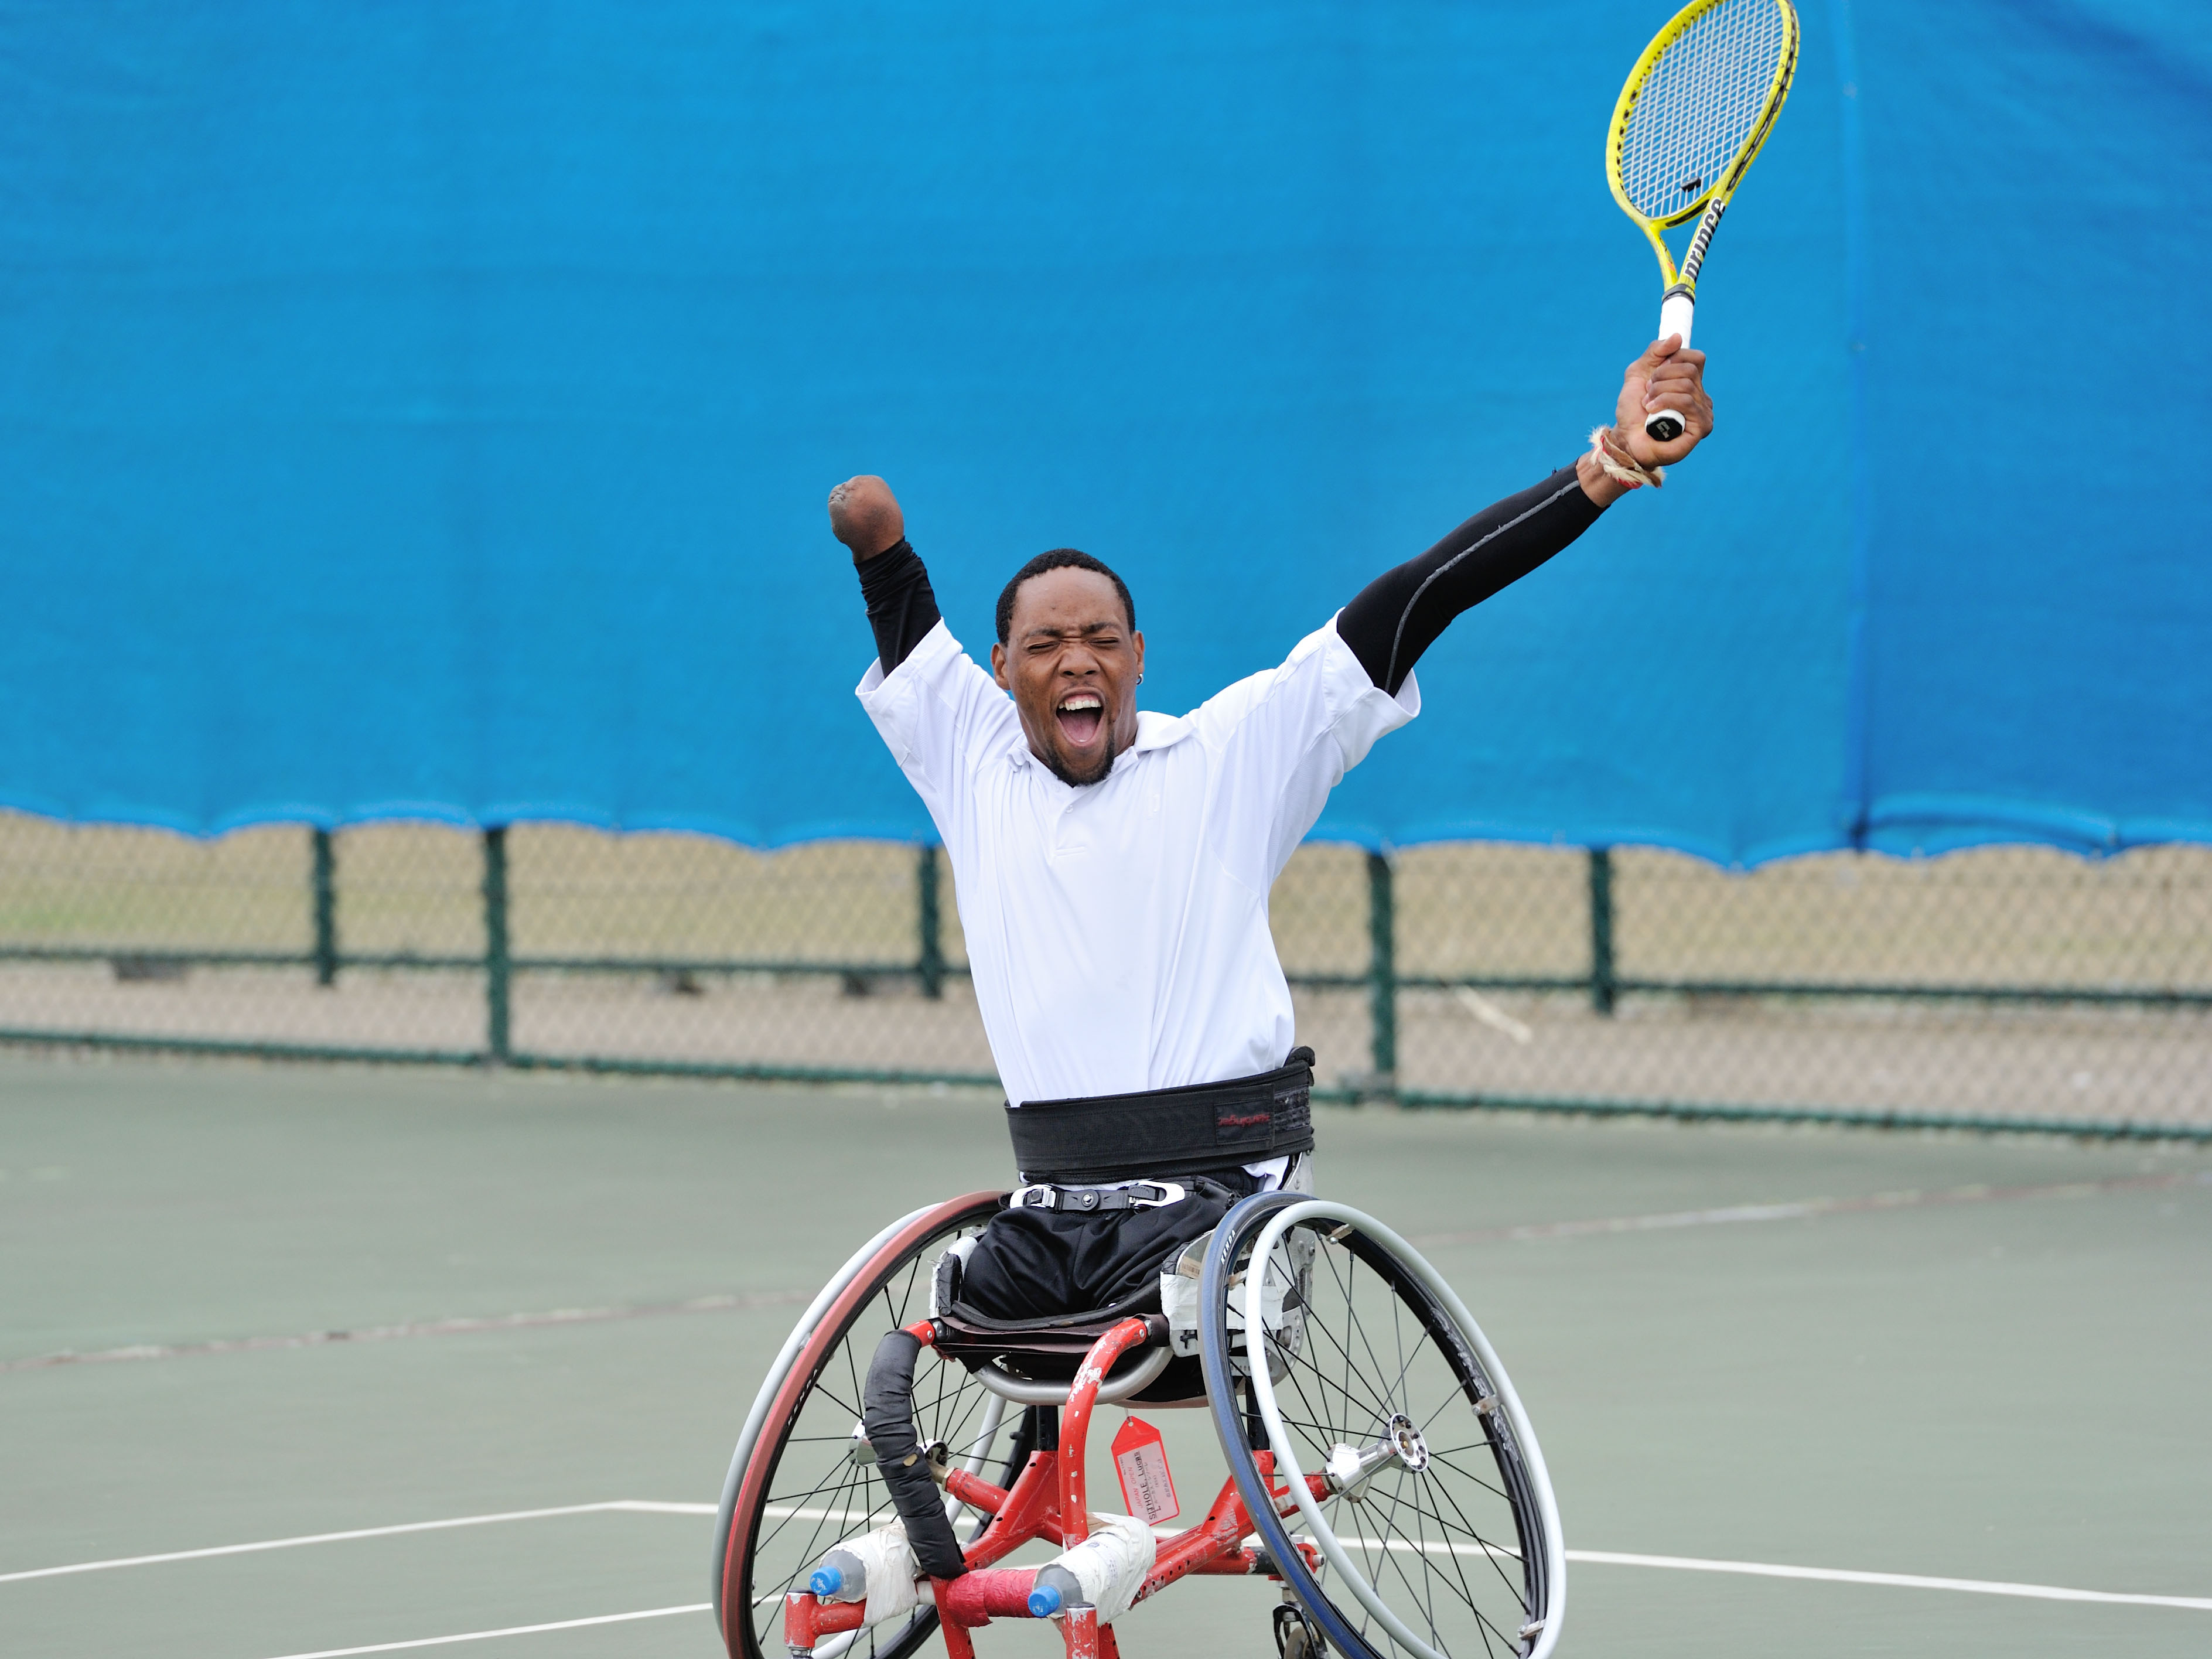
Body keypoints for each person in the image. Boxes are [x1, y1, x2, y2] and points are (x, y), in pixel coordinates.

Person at [829, 336, 1711, 1332]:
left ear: (1139, 658)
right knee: (914, 1359)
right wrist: (879, 548)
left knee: (1158, 1325)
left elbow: (1423, 595)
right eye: (1045, 644)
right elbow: (900, 611)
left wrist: (1609, 468)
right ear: (1000, 668)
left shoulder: (1229, 756)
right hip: (1050, 1210)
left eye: (1101, 641)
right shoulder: (975, 761)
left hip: (1218, 1205)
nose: (1077, 659)